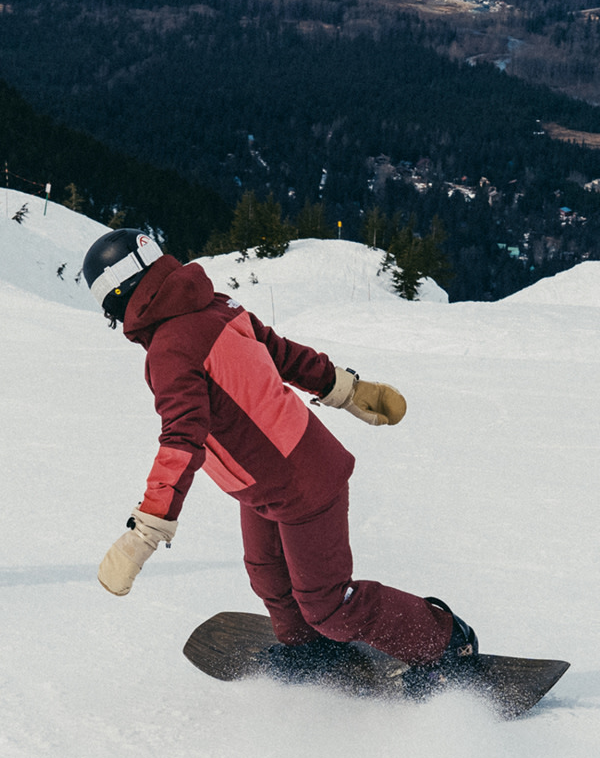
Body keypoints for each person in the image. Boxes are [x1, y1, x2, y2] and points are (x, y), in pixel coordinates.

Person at [83, 228, 477, 686]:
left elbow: (181, 439)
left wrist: (145, 532)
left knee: (328, 603)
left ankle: (445, 641)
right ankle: (310, 650)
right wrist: (346, 389)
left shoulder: (171, 346)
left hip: (304, 482)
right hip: (264, 485)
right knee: (269, 575)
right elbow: (280, 354)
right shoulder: (213, 304)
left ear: (118, 298)